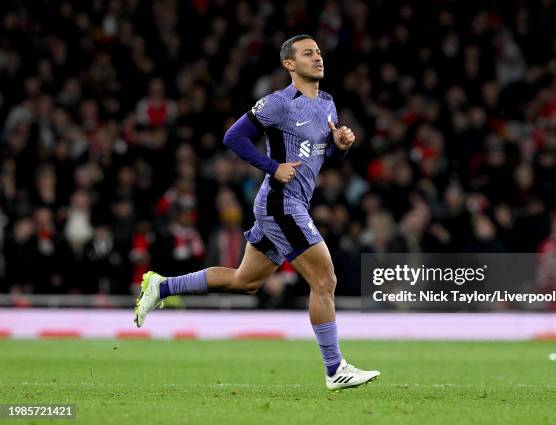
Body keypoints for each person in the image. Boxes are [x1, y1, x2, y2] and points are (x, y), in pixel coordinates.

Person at [134, 35, 380, 390]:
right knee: (324, 280)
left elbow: (316, 156)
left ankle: (162, 286)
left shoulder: (327, 103)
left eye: (319, 52)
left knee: (244, 281)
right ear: (289, 64)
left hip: (289, 204)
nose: (318, 57)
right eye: (308, 53)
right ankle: (334, 368)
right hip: (281, 203)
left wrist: (339, 148)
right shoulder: (279, 103)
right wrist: (272, 166)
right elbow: (233, 137)